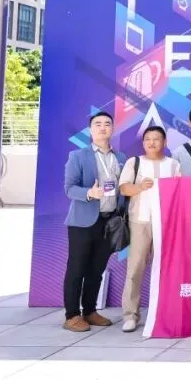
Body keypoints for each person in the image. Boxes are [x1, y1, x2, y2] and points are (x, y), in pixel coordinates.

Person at [62, 111, 126, 332]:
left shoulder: (121, 158)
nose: (102, 127)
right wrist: (89, 193)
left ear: (112, 129)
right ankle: (71, 315)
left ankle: (89, 311)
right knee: (77, 268)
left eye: (107, 124)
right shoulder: (78, 156)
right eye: (97, 124)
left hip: (109, 222)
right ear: (90, 130)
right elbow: (69, 188)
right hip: (83, 222)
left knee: (97, 269)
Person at [118, 125, 181, 332]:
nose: (151, 142)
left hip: (167, 223)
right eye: (148, 139)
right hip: (140, 221)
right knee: (135, 268)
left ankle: (165, 313)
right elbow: (124, 188)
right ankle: (130, 315)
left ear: (165, 142)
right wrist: (139, 187)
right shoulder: (134, 162)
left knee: (167, 269)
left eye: (156, 139)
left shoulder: (173, 164)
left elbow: (180, 192)